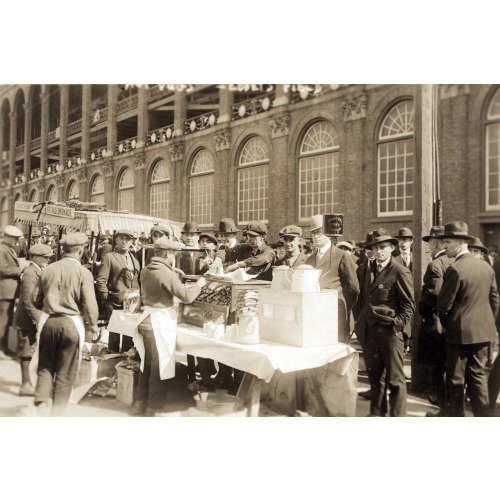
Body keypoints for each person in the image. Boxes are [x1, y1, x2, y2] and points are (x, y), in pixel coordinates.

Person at [133, 236, 206, 415]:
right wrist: (198, 285)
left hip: (146, 319)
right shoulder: (166, 273)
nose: (174, 257)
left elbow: (160, 285)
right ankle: (154, 409)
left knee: (147, 366)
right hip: (159, 322)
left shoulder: (146, 269)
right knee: (160, 368)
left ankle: (139, 404)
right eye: (173, 254)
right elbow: (187, 297)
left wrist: (174, 273)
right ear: (167, 254)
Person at [437, 221, 499, 417]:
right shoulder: (486, 267)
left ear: (461, 243)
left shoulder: (455, 269)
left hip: (459, 334)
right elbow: (495, 301)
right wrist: (487, 323)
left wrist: (448, 325)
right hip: (482, 333)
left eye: (447, 241)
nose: (444, 246)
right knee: (479, 379)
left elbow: (443, 306)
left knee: (456, 382)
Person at [34, 233, 99, 416]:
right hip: (71, 324)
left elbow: (34, 299)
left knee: (46, 364)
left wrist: (49, 304)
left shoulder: (48, 269)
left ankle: (40, 401)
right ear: (81, 250)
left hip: (49, 323)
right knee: (66, 369)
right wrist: (93, 326)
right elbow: (89, 304)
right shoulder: (83, 272)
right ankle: (57, 412)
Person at [354, 228, 415, 417]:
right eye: (375, 248)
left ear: (391, 249)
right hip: (369, 332)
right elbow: (363, 298)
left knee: (395, 380)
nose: (378, 251)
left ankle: (398, 417)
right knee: (375, 378)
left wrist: (397, 326)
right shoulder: (368, 268)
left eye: (383, 247)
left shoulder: (399, 271)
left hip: (390, 334)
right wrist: (360, 323)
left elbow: (409, 305)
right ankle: (376, 414)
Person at [416, 226, 454, 417]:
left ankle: (443, 410)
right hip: (453, 324)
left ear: (435, 243)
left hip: (436, 324)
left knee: (438, 369)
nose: (428, 248)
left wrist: (421, 306)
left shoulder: (435, 264)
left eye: (429, 244)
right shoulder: (454, 260)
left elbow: (434, 294)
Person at [306, 214, 359, 343]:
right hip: (315, 314)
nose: (315, 236)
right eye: (313, 233)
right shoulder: (310, 259)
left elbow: (353, 289)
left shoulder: (341, 255)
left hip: (335, 314)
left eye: (319, 232)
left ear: (328, 233)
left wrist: (342, 307)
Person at [13, 244, 54, 397]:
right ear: (35, 257)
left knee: (31, 350)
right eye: (46, 257)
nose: (49, 260)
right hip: (27, 318)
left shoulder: (38, 270)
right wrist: (37, 320)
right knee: (26, 351)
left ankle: (30, 382)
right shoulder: (31, 272)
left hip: (32, 317)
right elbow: (28, 300)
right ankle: (25, 385)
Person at [96, 229, 140, 352]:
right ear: (116, 240)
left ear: (131, 241)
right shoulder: (109, 257)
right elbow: (101, 279)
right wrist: (106, 298)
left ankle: (125, 358)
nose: (125, 242)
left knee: (129, 333)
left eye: (128, 239)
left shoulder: (134, 259)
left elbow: (136, 280)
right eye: (122, 239)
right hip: (115, 301)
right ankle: (112, 358)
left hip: (132, 304)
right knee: (115, 333)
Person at [210, 221, 276, 281]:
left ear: (263, 236)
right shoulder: (244, 248)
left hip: (262, 289)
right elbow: (226, 252)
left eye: (253, 236)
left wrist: (237, 265)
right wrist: (218, 260)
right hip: (242, 288)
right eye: (247, 236)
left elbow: (263, 259)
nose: (249, 239)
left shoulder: (269, 251)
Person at [0, 225, 30, 353]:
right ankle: (2, 347)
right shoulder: (2, 249)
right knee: (4, 319)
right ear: (6, 237)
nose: (16, 241)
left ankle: (4, 346)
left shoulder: (8, 249)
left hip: (8, 291)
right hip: (4, 291)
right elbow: (3, 269)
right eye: (14, 238)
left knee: (6, 318)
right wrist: (20, 269)